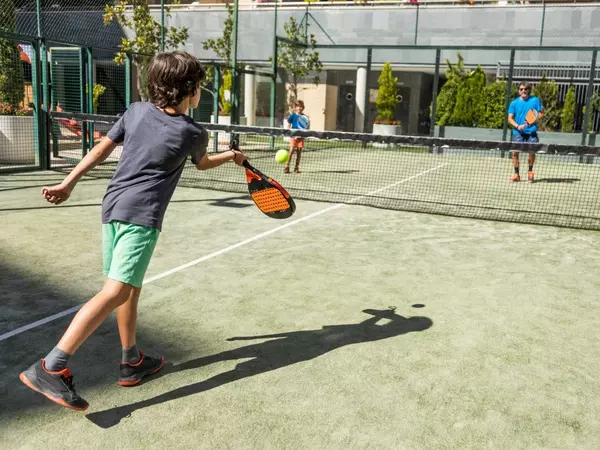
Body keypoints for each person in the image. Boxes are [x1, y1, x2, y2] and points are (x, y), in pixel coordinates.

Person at [19, 51, 248, 411]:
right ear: (190, 90)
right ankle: (52, 366)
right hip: (142, 217)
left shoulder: (136, 110)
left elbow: (99, 150)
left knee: (129, 290)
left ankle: (131, 361)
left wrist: (67, 184)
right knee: (115, 290)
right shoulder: (192, 132)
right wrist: (230, 157)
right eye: (200, 86)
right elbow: (203, 164)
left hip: (112, 209)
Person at [507, 82, 544, 183]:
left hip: (531, 132)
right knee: (515, 153)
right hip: (517, 132)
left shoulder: (535, 100)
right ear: (519, 91)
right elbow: (509, 119)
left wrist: (532, 120)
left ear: (529, 90)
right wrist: (518, 126)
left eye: (526, 89)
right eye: (521, 89)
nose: (523, 91)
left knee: (531, 151)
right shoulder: (514, 103)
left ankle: (530, 172)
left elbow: (541, 113)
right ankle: (516, 174)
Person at [284, 100, 309, 174]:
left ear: (303, 108)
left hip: (301, 137)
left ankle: (296, 168)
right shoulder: (293, 116)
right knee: (291, 151)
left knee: (299, 152)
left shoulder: (304, 117)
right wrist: (290, 132)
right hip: (293, 137)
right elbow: (289, 124)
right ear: (295, 108)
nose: (299, 108)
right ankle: (287, 166)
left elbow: (306, 126)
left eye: (301, 106)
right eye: (298, 106)